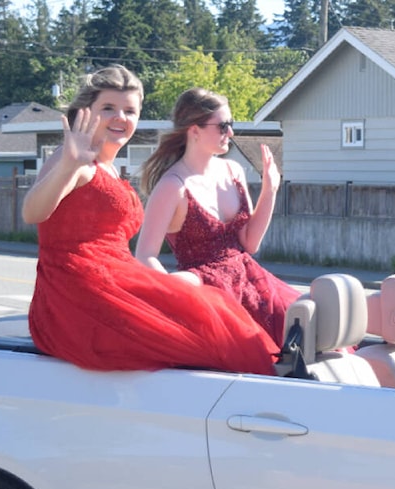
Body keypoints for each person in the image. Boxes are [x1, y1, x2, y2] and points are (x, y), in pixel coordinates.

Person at [23, 66, 277, 375]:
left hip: (118, 276)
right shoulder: (74, 159)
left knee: (212, 311)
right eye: (108, 108)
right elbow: (32, 213)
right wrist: (67, 166)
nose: (121, 117)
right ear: (86, 112)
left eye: (130, 110)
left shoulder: (110, 168)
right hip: (75, 292)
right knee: (197, 336)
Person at [135, 87, 300, 348]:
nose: (231, 133)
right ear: (194, 129)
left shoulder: (232, 170)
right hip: (207, 292)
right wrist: (175, 295)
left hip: (250, 283)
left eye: (231, 125)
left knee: (306, 328)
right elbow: (144, 256)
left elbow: (249, 243)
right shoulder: (172, 185)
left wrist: (270, 189)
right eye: (223, 126)